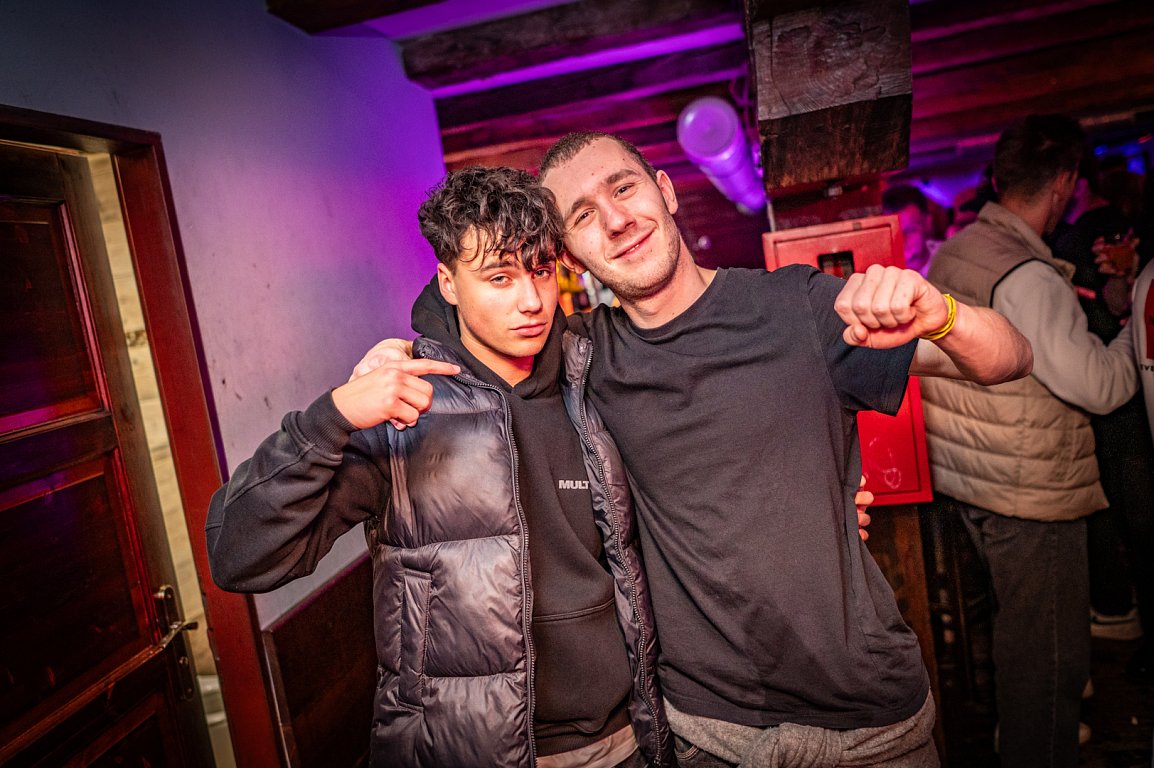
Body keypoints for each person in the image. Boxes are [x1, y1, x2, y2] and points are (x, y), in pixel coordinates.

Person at [360, 133, 1032, 766]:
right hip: (703, 732)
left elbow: (1009, 360)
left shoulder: (797, 306)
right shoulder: (582, 356)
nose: (616, 220)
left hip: (868, 724)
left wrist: (944, 314)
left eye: (624, 188)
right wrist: (404, 354)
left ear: (666, 190)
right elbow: (475, 307)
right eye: (584, 214)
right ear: (568, 255)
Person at [206, 167, 673, 768]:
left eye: (539, 271)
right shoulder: (404, 407)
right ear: (448, 283)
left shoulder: (591, 376)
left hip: (626, 740)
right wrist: (332, 417)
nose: (531, 302)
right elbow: (239, 556)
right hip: (467, 749)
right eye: (499, 278)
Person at [919, 114, 1139, 767]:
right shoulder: (1028, 276)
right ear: (1065, 183)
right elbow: (1100, 386)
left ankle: (1019, 738)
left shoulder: (956, 249)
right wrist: (1134, 323)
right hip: (1030, 490)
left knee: (1015, 636)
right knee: (1048, 658)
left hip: (973, 478)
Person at [1049, 151, 1154, 646]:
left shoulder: (1080, 238)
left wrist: (1124, 287)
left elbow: (1115, 303)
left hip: (1116, 394)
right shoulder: (1118, 235)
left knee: (1130, 514)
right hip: (1122, 389)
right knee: (1133, 515)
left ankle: (1126, 614)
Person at [882, 184, 938, 276]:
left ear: (927, 223)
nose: (901, 241)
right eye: (892, 234)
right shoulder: (880, 272)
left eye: (910, 231)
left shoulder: (949, 258)